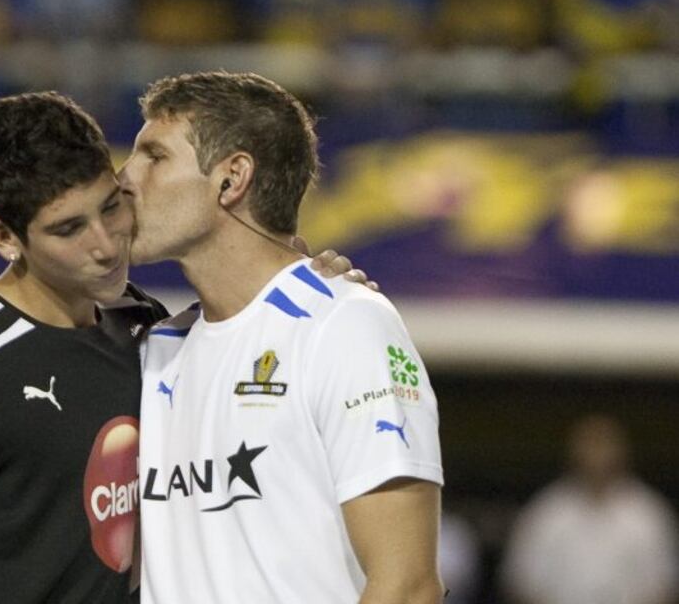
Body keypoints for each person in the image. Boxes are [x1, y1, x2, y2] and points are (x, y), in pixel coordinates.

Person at [0, 90, 361, 603]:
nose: (107, 245)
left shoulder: (147, 328)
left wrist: (319, 284)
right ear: (4, 237)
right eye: (69, 229)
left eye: (111, 208)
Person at [122, 71, 444, 603]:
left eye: (154, 157)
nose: (125, 178)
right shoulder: (153, 351)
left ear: (232, 178)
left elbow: (407, 585)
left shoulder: (345, 326)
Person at [500, 413, 679, 604]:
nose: (597, 454)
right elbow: (518, 584)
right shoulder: (545, 512)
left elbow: (667, 587)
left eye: (604, 443)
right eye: (590, 444)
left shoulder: (650, 514)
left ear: (622, 450)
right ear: (573, 450)